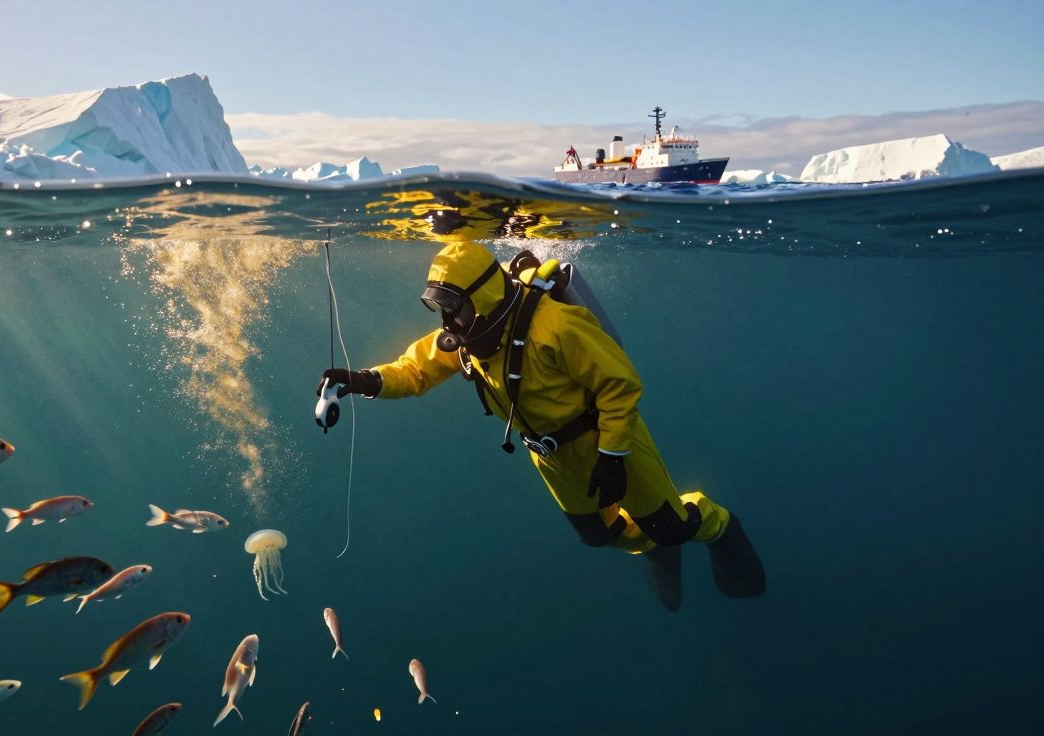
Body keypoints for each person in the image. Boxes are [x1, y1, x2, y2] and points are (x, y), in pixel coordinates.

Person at [319, 233, 765, 611]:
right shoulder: (466, 340)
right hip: (549, 454)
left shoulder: (557, 325)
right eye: (438, 305)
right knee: (599, 532)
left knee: (673, 524)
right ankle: (654, 546)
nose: (446, 319)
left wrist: (612, 454)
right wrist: (360, 381)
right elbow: (414, 370)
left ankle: (716, 524)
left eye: (452, 305)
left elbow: (620, 385)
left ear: (482, 296)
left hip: (608, 441)